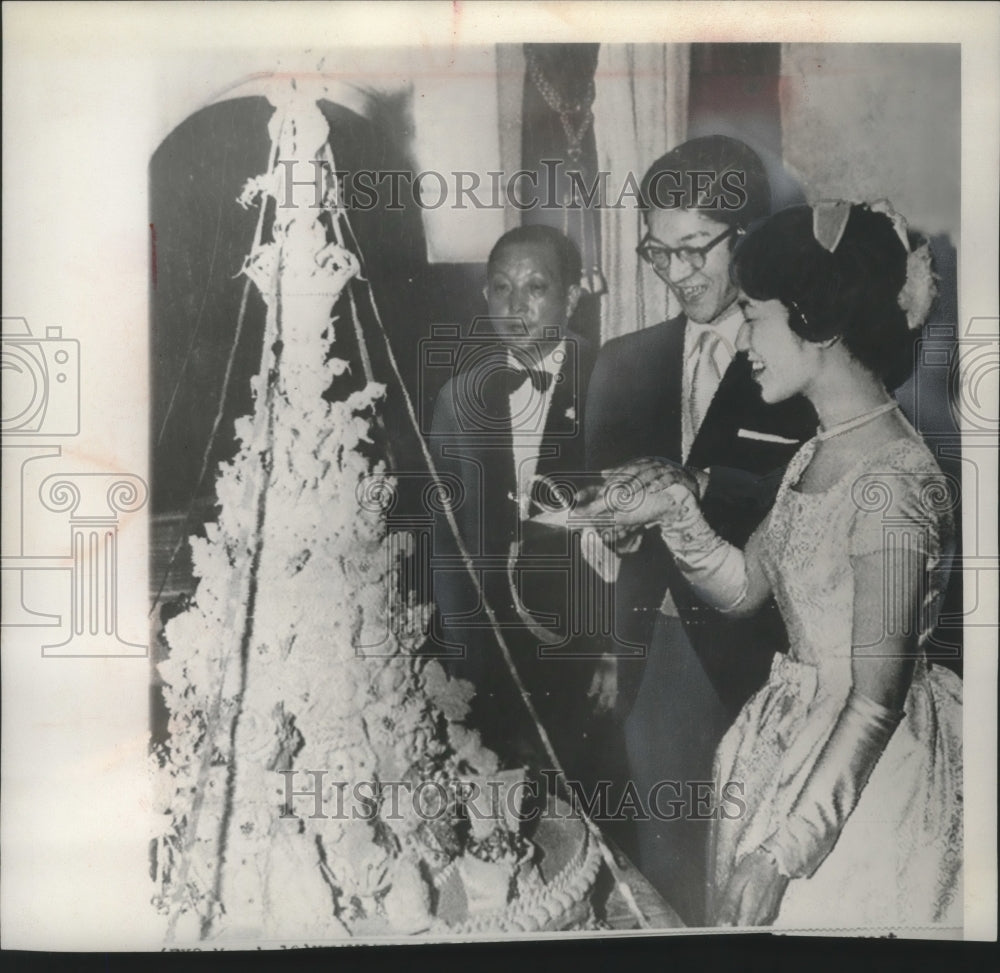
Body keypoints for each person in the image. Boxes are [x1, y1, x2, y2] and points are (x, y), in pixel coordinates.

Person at [599, 200, 962, 927]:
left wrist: (782, 853)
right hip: (792, 744)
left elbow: (876, 701)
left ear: (816, 324)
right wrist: (674, 508)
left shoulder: (895, 484)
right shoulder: (817, 452)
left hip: (864, 782)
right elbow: (742, 587)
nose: (743, 341)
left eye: (753, 316)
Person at [584, 135, 816, 923]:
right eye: (658, 252)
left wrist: (701, 486)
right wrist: (610, 531)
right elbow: (603, 504)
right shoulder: (620, 363)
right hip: (660, 658)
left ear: (747, 236)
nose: (675, 273)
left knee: (766, 885)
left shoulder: (805, 356)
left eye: (694, 249)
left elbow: (816, 492)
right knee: (672, 877)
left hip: (777, 657)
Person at [428, 224, 617, 804]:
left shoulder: (615, 381)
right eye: (501, 288)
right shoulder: (457, 399)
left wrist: (618, 651)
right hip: (491, 659)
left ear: (571, 297)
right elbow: (447, 544)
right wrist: (462, 662)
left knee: (584, 808)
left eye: (536, 287)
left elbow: (642, 535)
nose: (515, 307)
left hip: (583, 655)